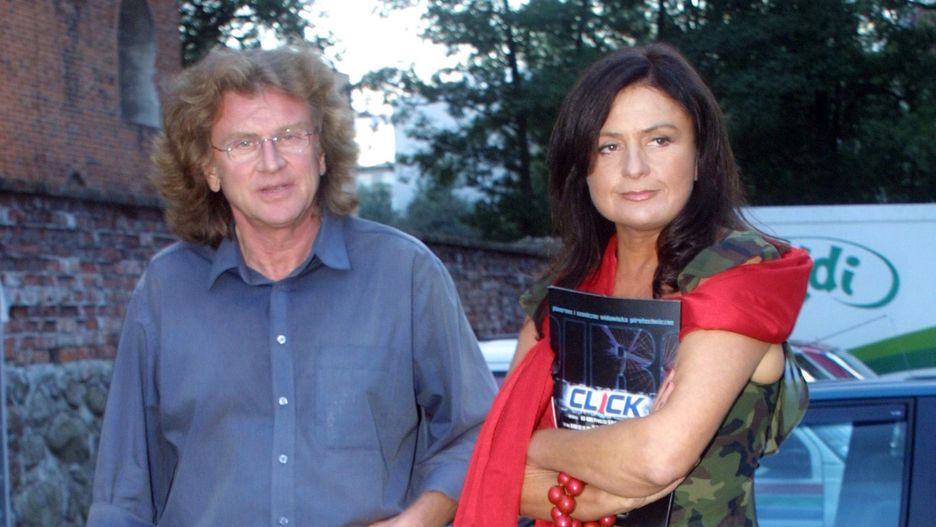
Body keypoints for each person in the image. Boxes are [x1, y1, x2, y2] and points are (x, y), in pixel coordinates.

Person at [87, 44, 497, 527]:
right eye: (243, 143)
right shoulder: (165, 290)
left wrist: (417, 521)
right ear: (209, 169)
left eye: (290, 135)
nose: (271, 161)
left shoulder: (404, 273)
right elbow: (123, 492)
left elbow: (478, 431)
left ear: (321, 152)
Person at [455, 43, 812, 526]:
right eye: (608, 146)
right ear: (583, 169)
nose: (634, 168)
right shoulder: (564, 294)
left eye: (659, 140)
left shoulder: (736, 272)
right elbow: (498, 473)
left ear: (699, 155)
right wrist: (595, 493)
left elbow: (657, 458)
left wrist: (534, 444)